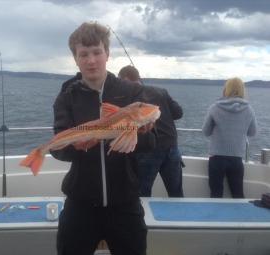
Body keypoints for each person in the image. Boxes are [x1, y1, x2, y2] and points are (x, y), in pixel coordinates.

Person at [51, 22, 155, 255]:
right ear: (75, 59)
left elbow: (152, 143)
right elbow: (58, 149)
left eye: (97, 52)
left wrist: (142, 130)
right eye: (83, 54)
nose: (91, 60)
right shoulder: (67, 97)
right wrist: (77, 146)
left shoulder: (131, 93)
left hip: (125, 202)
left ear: (107, 53)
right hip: (80, 203)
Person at [118, 65, 184, 197]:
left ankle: (144, 217)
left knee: (142, 192)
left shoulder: (129, 98)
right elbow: (178, 113)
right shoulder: (161, 91)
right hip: (172, 147)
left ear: (125, 79)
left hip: (148, 150)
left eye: (120, 81)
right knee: (176, 192)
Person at [202, 77, 257, 198]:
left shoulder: (215, 108)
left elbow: (206, 131)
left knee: (216, 194)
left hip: (216, 158)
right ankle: (239, 217)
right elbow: (252, 132)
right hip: (236, 158)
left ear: (226, 89)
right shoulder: (249, 109)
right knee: (238, 194)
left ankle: (216, 217)